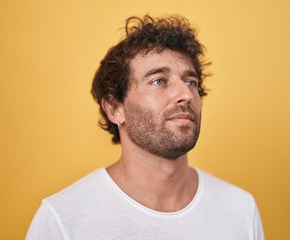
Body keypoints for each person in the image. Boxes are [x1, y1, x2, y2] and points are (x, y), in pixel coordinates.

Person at [26, 15, 264, 240]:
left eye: (191, 82)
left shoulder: (240, 209)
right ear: (114, 108)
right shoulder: (62, 220)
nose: (185, 94)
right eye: (158, 81)